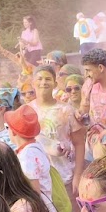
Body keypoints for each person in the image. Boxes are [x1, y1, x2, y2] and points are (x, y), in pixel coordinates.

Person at [31, 63, 85, 195]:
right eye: (40, 78)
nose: (43, 82)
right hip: (37, 180)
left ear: (55, 84)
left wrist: (78, 176)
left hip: (65, 176)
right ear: (33, 83)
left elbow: (79, 143)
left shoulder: (66, 110)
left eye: (48, 79)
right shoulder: (26, 111)